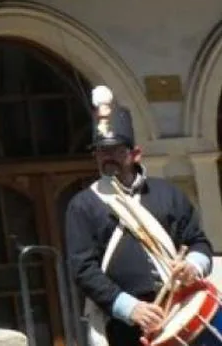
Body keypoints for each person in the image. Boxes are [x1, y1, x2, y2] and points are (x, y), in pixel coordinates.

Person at [65, 86, 214, 346]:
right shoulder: (83, 205)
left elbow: (199, 242)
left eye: (116, 150)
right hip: (124, 324)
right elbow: (84, 270)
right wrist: (130, 308)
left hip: (181, 305)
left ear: (135, 154)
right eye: (102, 151)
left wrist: (192, 266)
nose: (108, 157)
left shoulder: (167, 193)